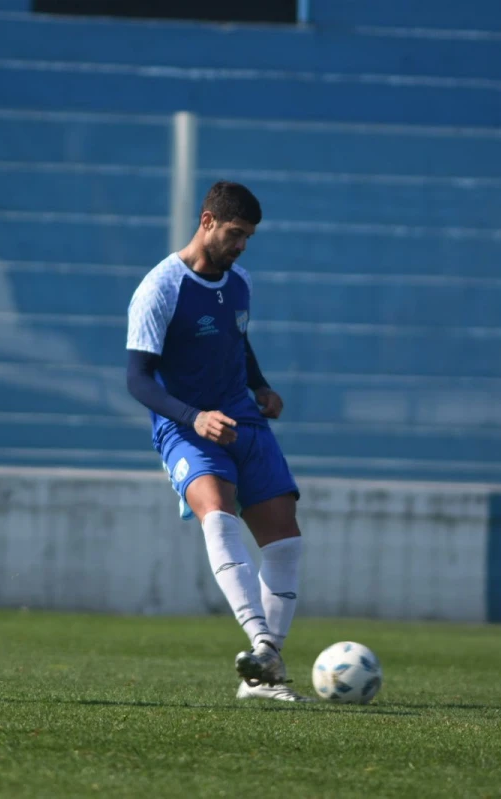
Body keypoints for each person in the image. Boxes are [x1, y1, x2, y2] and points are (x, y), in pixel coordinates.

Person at [125, 181, 309, 702]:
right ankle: (260, 642)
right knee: (218, 510)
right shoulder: (160, 288)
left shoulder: (241, 281)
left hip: (245, 423)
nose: (242, 245)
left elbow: (237, 341)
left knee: (286, 538)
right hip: (186, 427)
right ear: (207, 221)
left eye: (248, 236)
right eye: (235, 233)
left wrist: (261, 386)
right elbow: (137, 379)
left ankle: (262, 671)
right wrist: (194, 417)